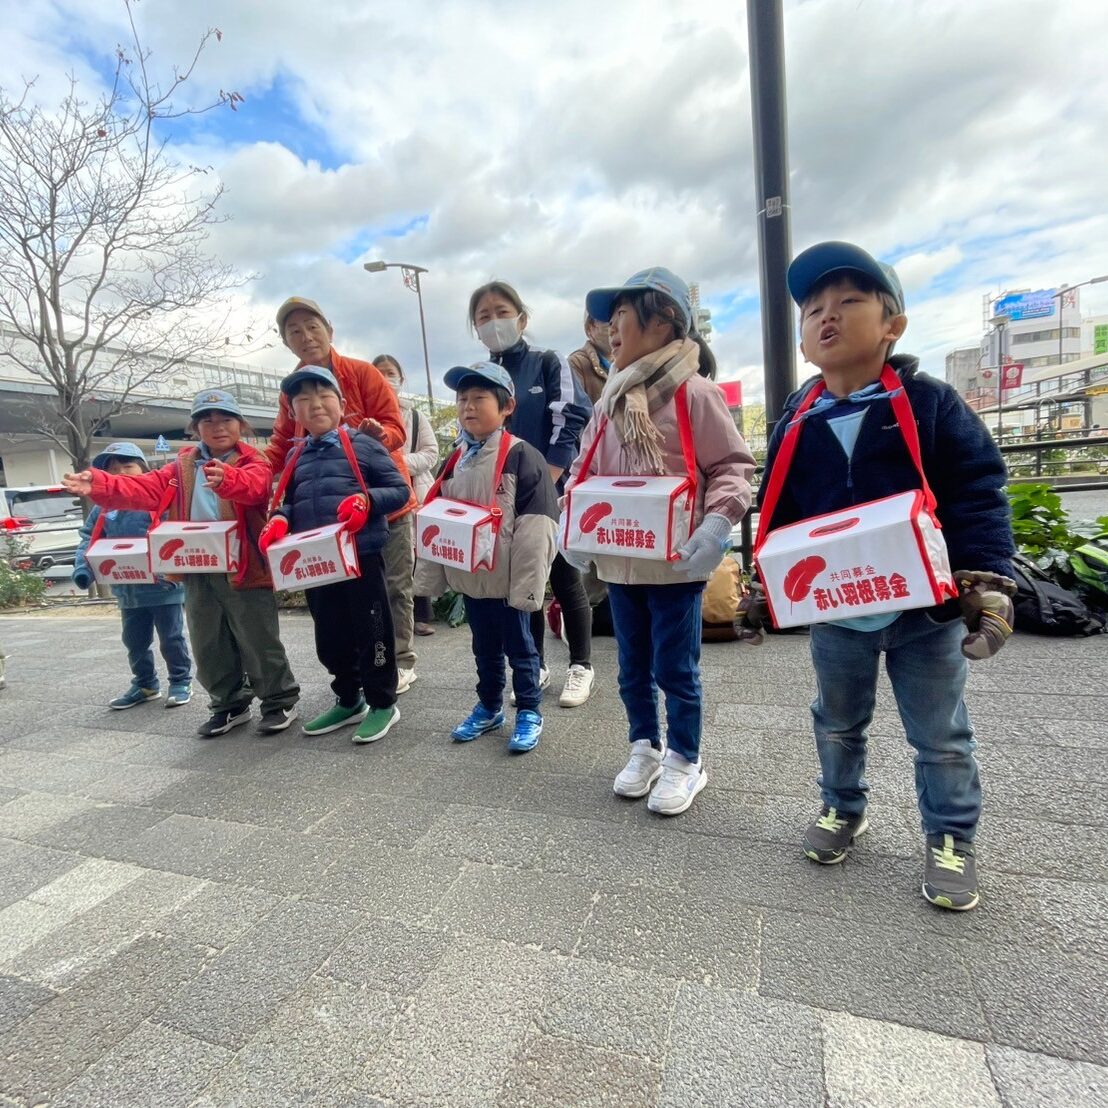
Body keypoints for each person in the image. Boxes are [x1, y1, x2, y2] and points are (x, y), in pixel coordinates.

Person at [740, 241, 1016, 911]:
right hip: (838, 611)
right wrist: (764, 588)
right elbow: (779, 512)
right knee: (836, 720)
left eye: (849, 301)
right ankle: (842, 805)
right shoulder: (796, 420)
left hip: (927, 612)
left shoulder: (929, 403)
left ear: (893, 325)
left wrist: (989, 580)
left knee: (940, 734)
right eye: (813, 310)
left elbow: (977, 489)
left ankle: (950, 837)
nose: (827, 316)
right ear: (803, 340)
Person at [568, 267, 754, 816]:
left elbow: (732, 467)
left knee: (675, 667)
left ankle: (685, 759)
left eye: (623, 314)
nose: (611, 327)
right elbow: (582, 471)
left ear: (664, 320)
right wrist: (570, 523)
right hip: (621, 563)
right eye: (610, 318)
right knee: (631, 666)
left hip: (676, 564)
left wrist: (716, 525)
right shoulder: (608, 402)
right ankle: (645, 746)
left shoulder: (696, 393)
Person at [63, 390, 300, 738]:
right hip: (197, 566)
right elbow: (143, 488)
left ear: (240, 425)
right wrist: (99, 482)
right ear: (195, 428)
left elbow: (256, 487)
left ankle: (279, 701)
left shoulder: (254, 460)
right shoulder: (181, 466)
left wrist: (228, 479)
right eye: (207, 420)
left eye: (226, 419)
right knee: (208, 641)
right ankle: (228, 704)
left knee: (257, 637)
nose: (217, 427)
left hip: (245, 566)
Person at [268, 298, 422, 693]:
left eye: (312, 326)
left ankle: (397, 662)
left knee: (391, 588)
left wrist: (375, 437)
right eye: (294, 331)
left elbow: (395, 429)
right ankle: (355, 677)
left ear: (329, 330)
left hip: (381, 505)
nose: (306, 336)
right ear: (286, 342)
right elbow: (280, 446)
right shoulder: (291, 391)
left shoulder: (362, 372)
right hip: (328, 523)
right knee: (337, 601)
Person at [260, 367, 411, 744]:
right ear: (293, 412)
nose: (315, 404)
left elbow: (399, 490)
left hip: (361, 557)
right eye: (303, 399)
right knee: (330, 636)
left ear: (342, 404)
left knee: (373, 630)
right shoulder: (296, 454)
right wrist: (280, 519)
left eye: (324, 395)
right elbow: (290, 500)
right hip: (316, 563)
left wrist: (366, 501)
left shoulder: (364, 444)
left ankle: (382, 703)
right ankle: (348, 699)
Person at [414, 362, 558, 753]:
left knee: (522, 650)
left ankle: (529, 711)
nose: (468, 407)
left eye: (479, 398)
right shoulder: (456, 458)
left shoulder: (522, 456)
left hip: (509, 582)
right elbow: (440, 518)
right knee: (484, 649)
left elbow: (537, 528)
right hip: (474, 580)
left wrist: (525, 589)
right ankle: (490, 706)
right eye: (462, 399)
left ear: (507, 406)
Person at [468, 280, 595, 707]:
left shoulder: (547, 362)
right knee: (525, 582)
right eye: (483, 317)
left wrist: (547, 480)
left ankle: (581, 665)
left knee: (564, 577)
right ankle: (536, 664)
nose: (493, 322)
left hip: (549, 491)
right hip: (503, 499)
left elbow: (571, 418)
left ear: (522, 318)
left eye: (501, 312)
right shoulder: (481, 377)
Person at [71, 442, 193, 710]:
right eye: (113, 470)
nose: (121, 473)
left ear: (144, 470)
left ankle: (180, 680)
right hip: (127, 589)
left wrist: (173, 571)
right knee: (135, 641)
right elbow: (89, 538)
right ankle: (145, 684)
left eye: (128, 466)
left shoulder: (160, 499)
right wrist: (84, 569)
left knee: (171, 638)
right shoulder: (104, 507)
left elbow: (174, 536)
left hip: (163, 588)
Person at [373, 354, 440, 637]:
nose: (385, 378)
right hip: (382, 494)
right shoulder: (366, 413)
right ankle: (392, 619)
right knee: (390, 556)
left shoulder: (414, 416)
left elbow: (431, 453)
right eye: (378, 373)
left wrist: (399, 462)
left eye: (390, 373)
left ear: (401, 378)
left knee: (418, 553)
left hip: (416, 489)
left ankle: (421, 616)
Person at [567, 311, 612, 405]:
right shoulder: (576, 362)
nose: (614, 328)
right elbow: (577, 408)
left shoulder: (630, 361)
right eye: (608, 322)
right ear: (590, 328)